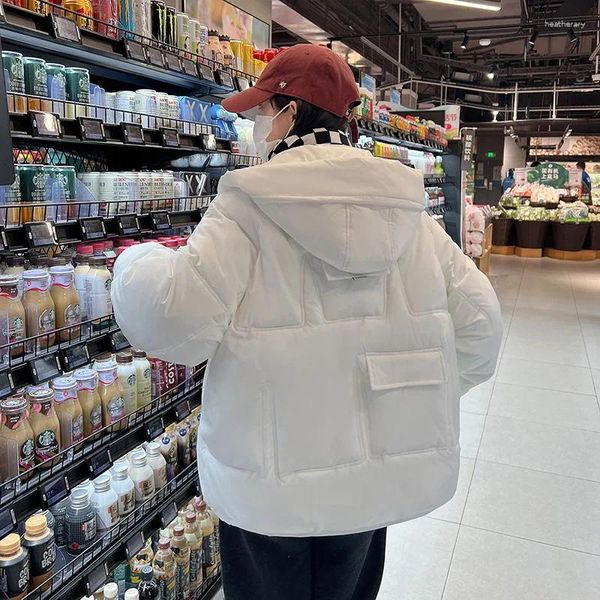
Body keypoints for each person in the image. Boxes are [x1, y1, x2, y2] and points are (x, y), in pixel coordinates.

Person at [111, 45, 503, 600]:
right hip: (369, 483)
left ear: (289, 112)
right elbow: (482, 327)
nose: (252, 127)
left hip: (268, 484)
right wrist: (414, 387)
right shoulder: (406, 215)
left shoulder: (247, 207)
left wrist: (135, 263)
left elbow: (173, 320)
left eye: (258, 113)